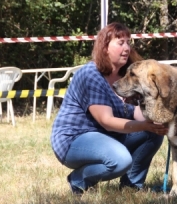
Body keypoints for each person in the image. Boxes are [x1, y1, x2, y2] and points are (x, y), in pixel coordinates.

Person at [50, 22, 167, 194]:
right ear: (104, 48)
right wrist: (144, 125)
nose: (127, 48)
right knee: (120, 160)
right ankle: (78, 180)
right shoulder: (91, 74)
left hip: (107, 136)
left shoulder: (126, 77)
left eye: (128, 42)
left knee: (153, 133)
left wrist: (157, 117)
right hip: (73, 139)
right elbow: (107, 121)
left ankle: (131, 187)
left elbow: (135, 113)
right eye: (120, 43)